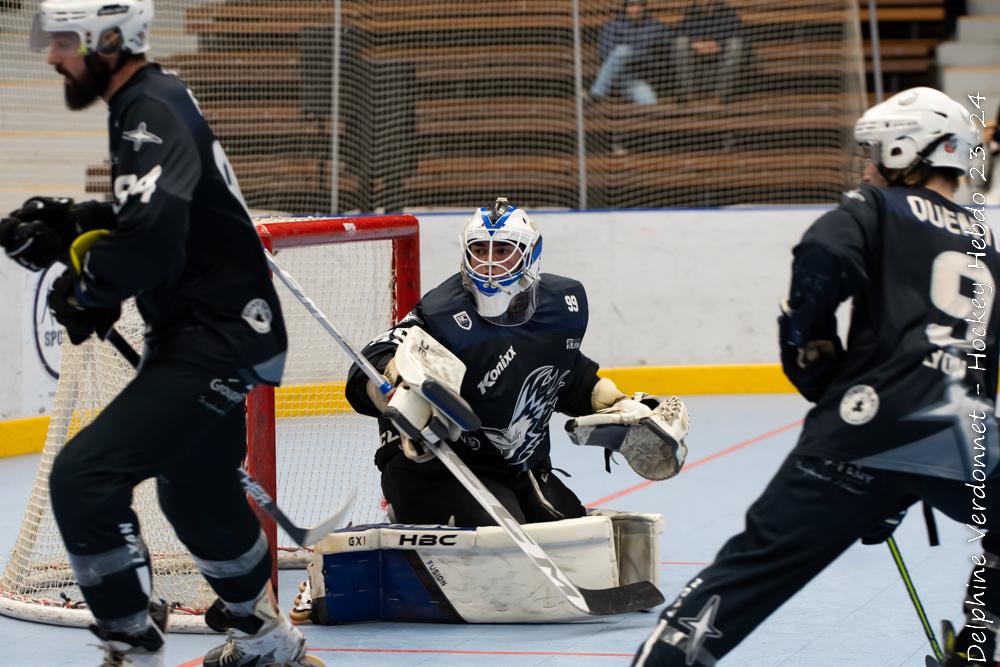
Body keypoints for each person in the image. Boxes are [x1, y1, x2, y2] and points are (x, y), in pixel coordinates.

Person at [632, 87, 1000, 667]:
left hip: (863, 431)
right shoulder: (985, 242)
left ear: (907, 152)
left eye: (876, 153)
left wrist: (817, 364)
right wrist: (902, 489)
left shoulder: (875, 208)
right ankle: (982, 650)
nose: (868, 167)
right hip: (967, 441)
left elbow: (822, 255)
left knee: (752, 571)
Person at [0, 1, 320, 665]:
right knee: (194, 488)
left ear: (109, 38)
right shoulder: (151, 102)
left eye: (63, 41)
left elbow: (152, 246)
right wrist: (73, 224)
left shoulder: (150, 110)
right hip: (218, 332)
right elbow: (157, 217)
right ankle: (267, 642)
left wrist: (88, 289)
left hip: (215, 336)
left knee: (83, 479)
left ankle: (133, 645)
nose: (52, 55)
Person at [345, 198, 689, 528]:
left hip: (516, 466)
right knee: (500, 543)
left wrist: (622, 405)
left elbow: (564, 373)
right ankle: (407, 523)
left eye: (503, 250)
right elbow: (369, 367)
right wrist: (397, 385)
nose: (490, 262)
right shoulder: (442, 314)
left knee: (572, 533)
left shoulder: (561, 305)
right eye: (479, 249)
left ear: (530, 254)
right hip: (439, 465)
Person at [590, 0, 670, 106]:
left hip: (637, 77)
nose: (636, 9)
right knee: (621, 51)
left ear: (644, 7)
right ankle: (596, 94)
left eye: (639, 5)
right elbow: (604, 53)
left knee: (650, 102)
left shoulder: (655, 26)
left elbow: (659, 54)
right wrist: (638, 54)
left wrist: (632, 56)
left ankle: (595, 93)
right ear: (625, 8)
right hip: (617, 76)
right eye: (632, 5)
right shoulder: (612, 26)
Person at [672, 0, 746, 103]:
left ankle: (722, 96)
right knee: (681, 42)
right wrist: (696, 43)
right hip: (697, 61)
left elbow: (739, 31)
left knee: (735, 45)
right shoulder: (691, 12)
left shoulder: (727, 12)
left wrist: (719, 42)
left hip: (720, 61)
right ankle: (687, 96)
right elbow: (679, 31)